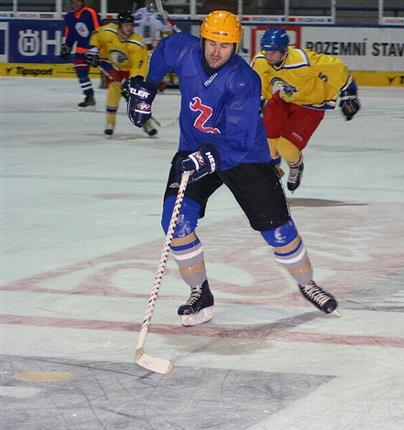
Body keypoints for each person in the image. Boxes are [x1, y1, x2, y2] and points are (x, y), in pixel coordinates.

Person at [126, 10, 338, 326]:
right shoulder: (181, 47)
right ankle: (200, 291)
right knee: (175, 221)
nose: (215, 51)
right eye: (211, 42)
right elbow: (163, 55)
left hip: (245, 157)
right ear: (202, 39)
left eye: (224, 46)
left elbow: (236, 142)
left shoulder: (244, 79)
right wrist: (148, 87)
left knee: (278, 231)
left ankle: (307, 282)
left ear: (236, 46)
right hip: (195, 149)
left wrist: (203, 160)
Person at [251, 28, 360, 192]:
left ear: (284, 50)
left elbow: (336, 67)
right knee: (267, 141)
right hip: (285, 99)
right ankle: (272, 175)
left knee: (286, 148)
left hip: (311, 105)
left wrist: (349, 93)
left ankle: (296, 165)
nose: (269, 56)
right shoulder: (261, 61)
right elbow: (257, 86)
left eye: (274, 52)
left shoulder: (303, 61)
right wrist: (254, 106)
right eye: (267, 51)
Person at [87, 11, 157, 138]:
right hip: (112, 66)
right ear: (120, 25)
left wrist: (132, 83)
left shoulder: (136, 43)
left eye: (130, 25)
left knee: (137, 99)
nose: (129, 28)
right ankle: (110, 124)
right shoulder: (108, 32)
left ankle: (146, 123)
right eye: (126, 25)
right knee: (113, 95)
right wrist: (93, 50)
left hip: (130, 72)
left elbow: (139, 66)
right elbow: (95, 35)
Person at [61, 0, 101, 110]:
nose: (76, 4)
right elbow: (69, 34)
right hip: (80, 50)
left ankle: (129, 96)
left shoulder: (90, 13)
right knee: (81, 73)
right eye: (73, 2)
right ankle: (89, 97)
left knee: (112, 73)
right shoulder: (69, 16)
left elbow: (99, 31)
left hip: (95, 49)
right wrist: (66, 47)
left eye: (78, 1)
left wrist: (95, 50)